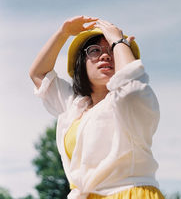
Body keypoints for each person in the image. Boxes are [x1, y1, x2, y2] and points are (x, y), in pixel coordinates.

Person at [30, 15, 165, 199]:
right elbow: (38, 74)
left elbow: (130, 85)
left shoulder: (134, 102)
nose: (105, 55)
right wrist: (63, 33)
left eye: (112, 50)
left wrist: (118, 41)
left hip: (129, 193)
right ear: (81, 64)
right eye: (94, 50)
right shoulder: (75, 106)